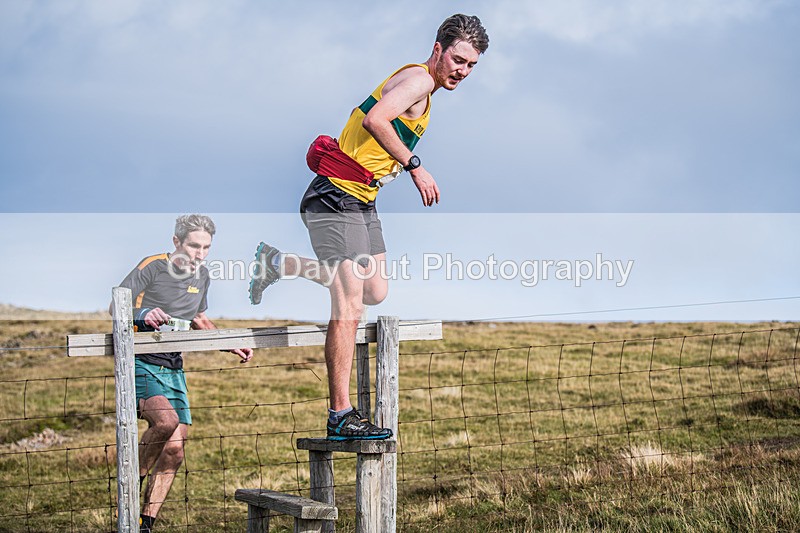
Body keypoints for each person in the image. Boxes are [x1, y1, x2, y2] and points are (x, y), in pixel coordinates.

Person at [249, 14, 489, 440]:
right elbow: (374, 120)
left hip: (361, 199)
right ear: (438, 49)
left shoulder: (425, 88)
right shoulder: (419, 80)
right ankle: (340, 415)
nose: (463, 71)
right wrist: (415, 166)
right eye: (458, 60)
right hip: (336, 196)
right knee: (349, 305)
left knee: (375, 290)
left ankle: (278, 263)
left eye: (471, 65)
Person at [113, 214, 253, 533]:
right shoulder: (152, 265)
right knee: (166, 421)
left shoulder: (202, 276)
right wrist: (143, 313)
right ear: (176, 241)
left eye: (206, 247)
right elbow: (115, 305)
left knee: (175, 449)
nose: (199, 254)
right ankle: (130, 486)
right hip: (141, 361)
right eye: (193, 245)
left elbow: (199, 319)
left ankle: (144, 523)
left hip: (174, 367)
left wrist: (229, 343)